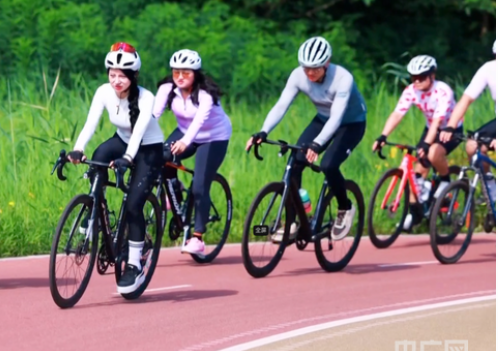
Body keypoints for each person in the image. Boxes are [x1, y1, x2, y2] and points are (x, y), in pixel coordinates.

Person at [245, 36, 367, 241]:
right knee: (295, 162)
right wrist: (263, 131)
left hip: (350, 124)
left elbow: (337, 117)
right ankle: (292, 221)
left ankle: (345, 208)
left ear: (327, 63)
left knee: (328, 165)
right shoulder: (297, 76)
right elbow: (281, 105)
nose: (310, 73)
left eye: (315, 69)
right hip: (322, 119)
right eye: (306, 68)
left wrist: (317, 143)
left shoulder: (343, 78)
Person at [68, 42, 164, 294]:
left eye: (122, 75)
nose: (116, 80)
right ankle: (95, 213)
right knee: (99, 156)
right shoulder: (103, 91)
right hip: (122, 140)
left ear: (134, 76)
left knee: (133, 205)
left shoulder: (146, 98)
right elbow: (91, 123)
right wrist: (78, 148)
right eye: (112, 74)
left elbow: (139, 132)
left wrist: (128, 158)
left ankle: (134, 264)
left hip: (148, 148)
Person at [152, 49, 232, 255]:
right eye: (176, 72)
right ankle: (175, 190)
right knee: (161, 157)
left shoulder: (205, 94)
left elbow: (199, 121)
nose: (180, 77)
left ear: (195, 74)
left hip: (213, 137)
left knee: (199, 186)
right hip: (184, 131)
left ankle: (197, 238)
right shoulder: (167, 89)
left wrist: (185, 142)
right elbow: (154, 115)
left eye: (186, 73)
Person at [372, 55, 463, 229]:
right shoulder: (411, 91)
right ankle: (416, 213)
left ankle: (445, 181)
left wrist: (426, 145)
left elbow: (438, 121)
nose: (417, 81)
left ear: (432, 76)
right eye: (414, 77)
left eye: (421, 77)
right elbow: (397, 114)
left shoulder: (443, 91)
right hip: (430, 128)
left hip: (451, 128)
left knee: (433, 152)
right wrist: (383, 136)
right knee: (416, 174)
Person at [440, 40, 496, 160]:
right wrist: (451, 126)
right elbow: (466, 99)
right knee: (472, 144)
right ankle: (484, 173)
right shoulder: (489, 68)